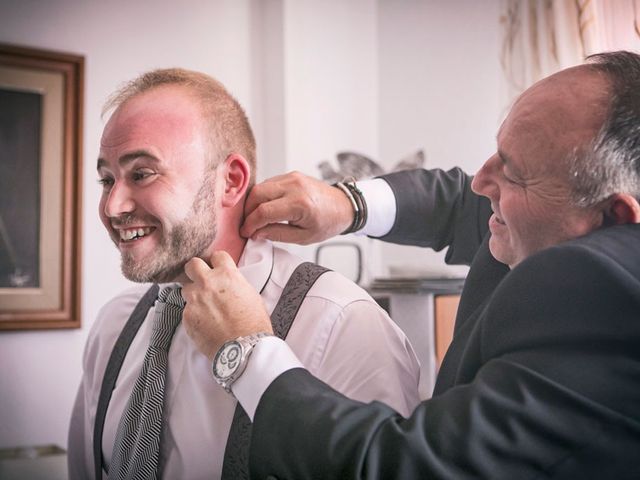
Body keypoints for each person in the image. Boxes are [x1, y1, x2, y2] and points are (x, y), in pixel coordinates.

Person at [180, 50, 640, 478]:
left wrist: (244, 352)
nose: (481, 182)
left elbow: (405, 464)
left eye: (513, 173)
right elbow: (462, 204)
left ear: (611, 218)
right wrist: (346, 203)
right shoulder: (560, 219)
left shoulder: (607, 298)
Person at [67, 68, 421, 479]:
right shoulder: (114, 325)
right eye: (106, 179)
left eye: (142, 174)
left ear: (231, 182)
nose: (112, 207)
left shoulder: (343, 325)